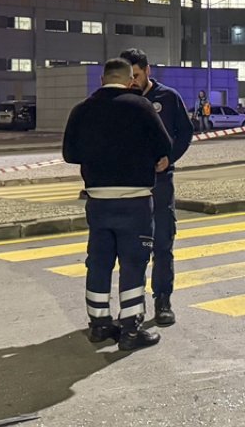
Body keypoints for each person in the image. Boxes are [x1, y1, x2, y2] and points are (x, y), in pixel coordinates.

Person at [62, 58, 172, 351]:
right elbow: (165, 146)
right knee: (133, 264)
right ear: (130, 81)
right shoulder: (141, 107)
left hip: (98, 202)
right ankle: (131, 330)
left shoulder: (82, 110)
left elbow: (69, 154)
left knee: (98, 263)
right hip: (134, 201)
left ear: (102, 80)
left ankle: (98, 325)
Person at [119, 48, 193, 326]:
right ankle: (132, 306)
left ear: (148, 70)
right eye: (128, 76)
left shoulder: (168, 98)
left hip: (161, 184)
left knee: (162, 243)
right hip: (131, 185)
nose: (132, 81)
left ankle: (163, 299)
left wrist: (169, 157)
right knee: (132, 248)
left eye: (136, 75)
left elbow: (185, 133)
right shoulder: (123, 99)